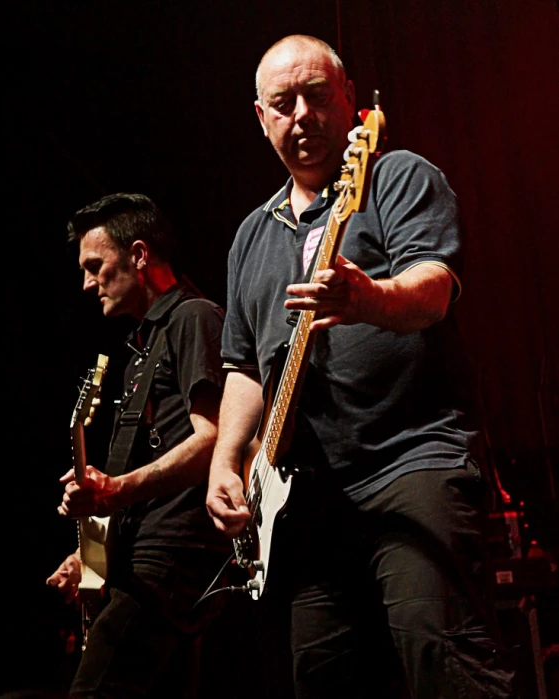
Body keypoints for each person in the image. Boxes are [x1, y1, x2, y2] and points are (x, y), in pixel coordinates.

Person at [205, 34, 517, 698]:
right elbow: (241, 367)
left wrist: (365, 296)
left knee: (440, 650)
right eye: (282, 103)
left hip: (412, 459)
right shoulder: (251, 235)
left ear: (348, 98)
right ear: (260, 118)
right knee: (320, 674)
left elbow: (433, 288)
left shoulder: (394, 175)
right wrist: (226, 461)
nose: (302, 115)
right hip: (309, 499)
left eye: (317, 96)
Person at [47, 192, 231, 698]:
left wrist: (116, 489)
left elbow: (214, 438)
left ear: (140, 255)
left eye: (95, 266)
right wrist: (89, 555)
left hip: (171, 557)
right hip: (145, 558)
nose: (87, 283)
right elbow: (135, 472)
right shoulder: (140, 350)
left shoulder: (194, 318)